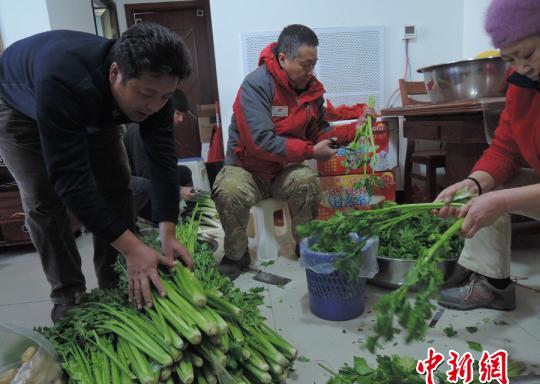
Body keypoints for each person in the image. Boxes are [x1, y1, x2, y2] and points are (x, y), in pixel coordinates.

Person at [0, 22, 194, 320]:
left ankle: (116, 281)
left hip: (97, 106)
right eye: (147, 93)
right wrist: (134, 247)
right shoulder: (64, 77)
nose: (155, 106)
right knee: (44, 200)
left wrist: (167, 231)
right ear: (115, 73)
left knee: (117, 185)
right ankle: (68, 293)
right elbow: (70, 180)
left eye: (166, 97)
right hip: (20, 108)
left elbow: (164, 163)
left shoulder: (156, 96)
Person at [212, 24, 374, 279]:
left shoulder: (312, 91)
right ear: (283, 58)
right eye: (305, 64)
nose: (310, 72)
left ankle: (306, 245)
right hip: (247, 170)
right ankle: (236, 254)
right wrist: (310, 151)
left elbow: (318, 131)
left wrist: (355, 128)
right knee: (229, 190)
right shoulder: (256, 86)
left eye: (314, 64)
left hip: (281, 171)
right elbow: (261, 141)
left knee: (306, 181)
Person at [436, 0, 540, 311]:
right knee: (488, 190)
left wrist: (502, 202)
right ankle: (493, 284)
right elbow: (505, 148)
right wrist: (474, 184)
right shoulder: (523, 84)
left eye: (529, 54)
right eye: (510, 58)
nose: (522, 67)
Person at [123, 89, 197, 223]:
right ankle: (149, 217)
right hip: (134, 184)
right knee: (147, 184)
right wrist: (177, 190)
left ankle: (190, 214)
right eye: (178, 114)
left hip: (151, 177)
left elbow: (166, 165)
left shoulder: (162, 128)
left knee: (184, 172)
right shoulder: (137, 130)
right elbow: (146, 174)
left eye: (183, 115)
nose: (181, 119)